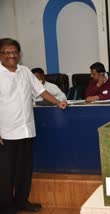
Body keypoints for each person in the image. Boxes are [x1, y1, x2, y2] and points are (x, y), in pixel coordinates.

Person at [0, 38, 67, 214]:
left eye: (14, 52)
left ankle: (22, 202)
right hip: (6, 133)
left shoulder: (25, 71)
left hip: (27, 130)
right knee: (6, 174)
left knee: (24, 171)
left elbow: (41, 90)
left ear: (19, 54)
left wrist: (58, 102)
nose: (11, 55)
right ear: (0, 55)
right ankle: (6, 207)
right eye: (6, 52)